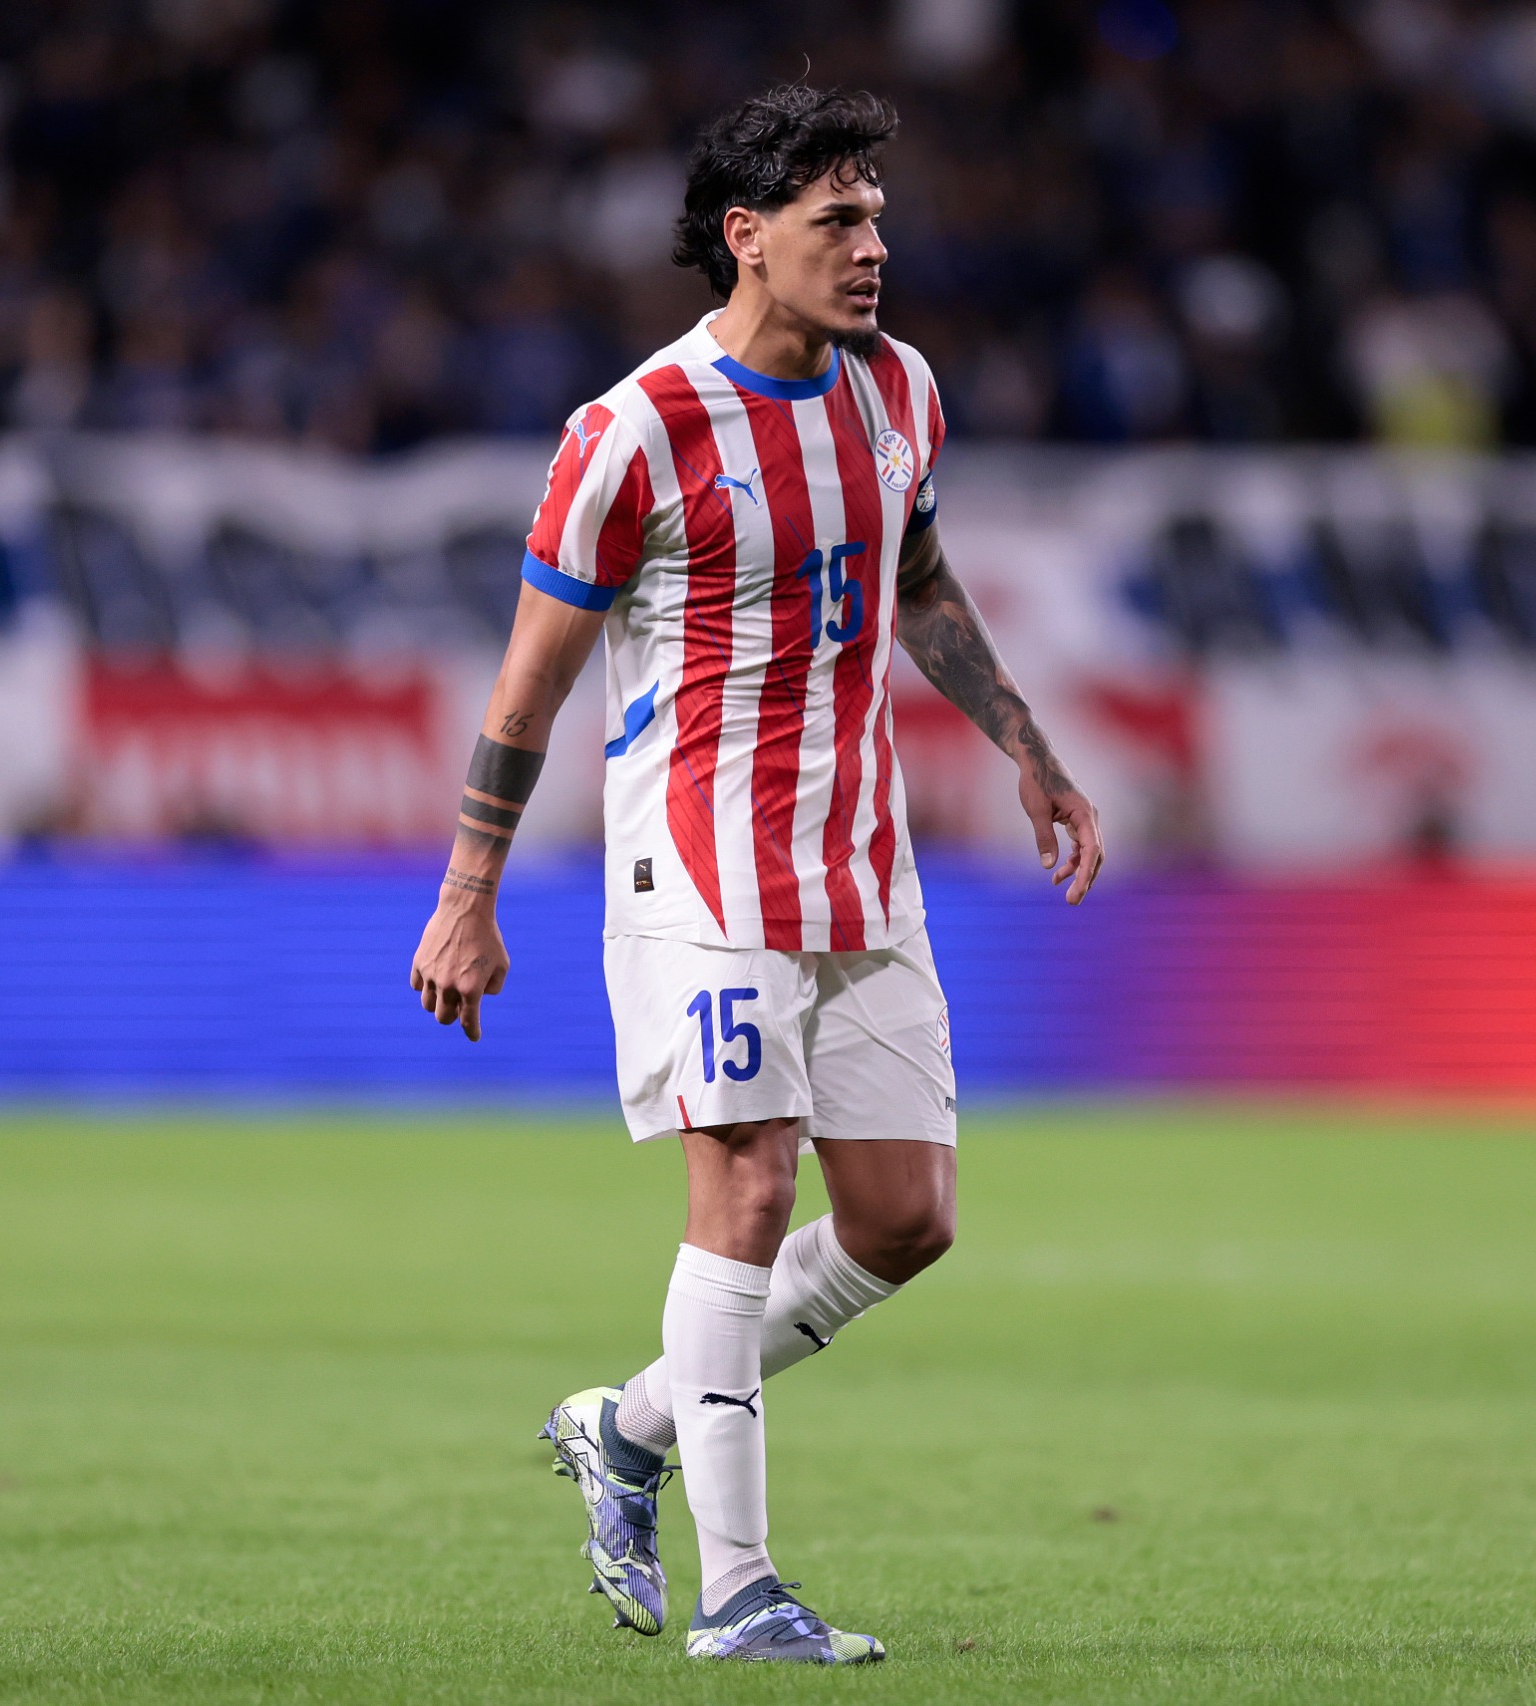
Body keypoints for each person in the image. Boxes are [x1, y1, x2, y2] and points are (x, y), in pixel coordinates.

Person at [407, 84, 1104, 1665]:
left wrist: (1026, 744)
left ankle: (628, 1424)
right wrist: (467, 890)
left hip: (861, 860)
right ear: (748, 236)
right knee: (747, 1186)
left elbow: (918, 578)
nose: (873, 247)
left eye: (877, 216)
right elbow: (527, 685)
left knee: (907, 1217)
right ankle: (740, 1592)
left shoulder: (900, 389)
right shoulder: (634, 432)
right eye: (836, 219)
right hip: (703, 864)